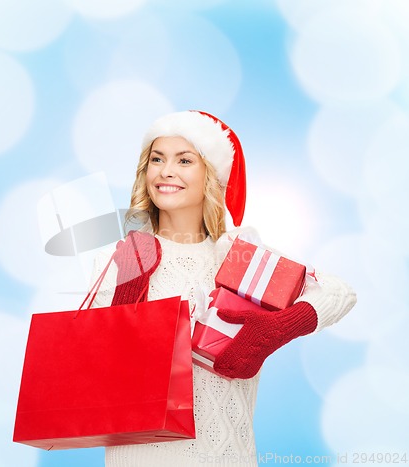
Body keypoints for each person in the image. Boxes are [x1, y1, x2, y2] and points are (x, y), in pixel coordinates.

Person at [89, 110, 357, 467]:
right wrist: (127, 293)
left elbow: (339, 292)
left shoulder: (239, 256)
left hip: (227, 454)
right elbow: (101, 369)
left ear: (212, 176)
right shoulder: (120, 259)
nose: (166, 171)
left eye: (184, 160)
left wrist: (280, 327)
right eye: (157, 159)